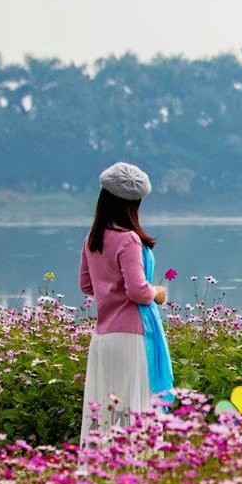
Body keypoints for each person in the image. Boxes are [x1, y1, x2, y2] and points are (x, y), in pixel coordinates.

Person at [78, 162, 174, 438]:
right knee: (135, 407)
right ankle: (135, 467)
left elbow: (86, 284)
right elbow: (137, 291)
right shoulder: (129, 239)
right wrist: (156, 292)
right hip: (132, 338)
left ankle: (103, 465)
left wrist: (109, 291)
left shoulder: (92, 239)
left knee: (105, 410)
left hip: (103, 338)